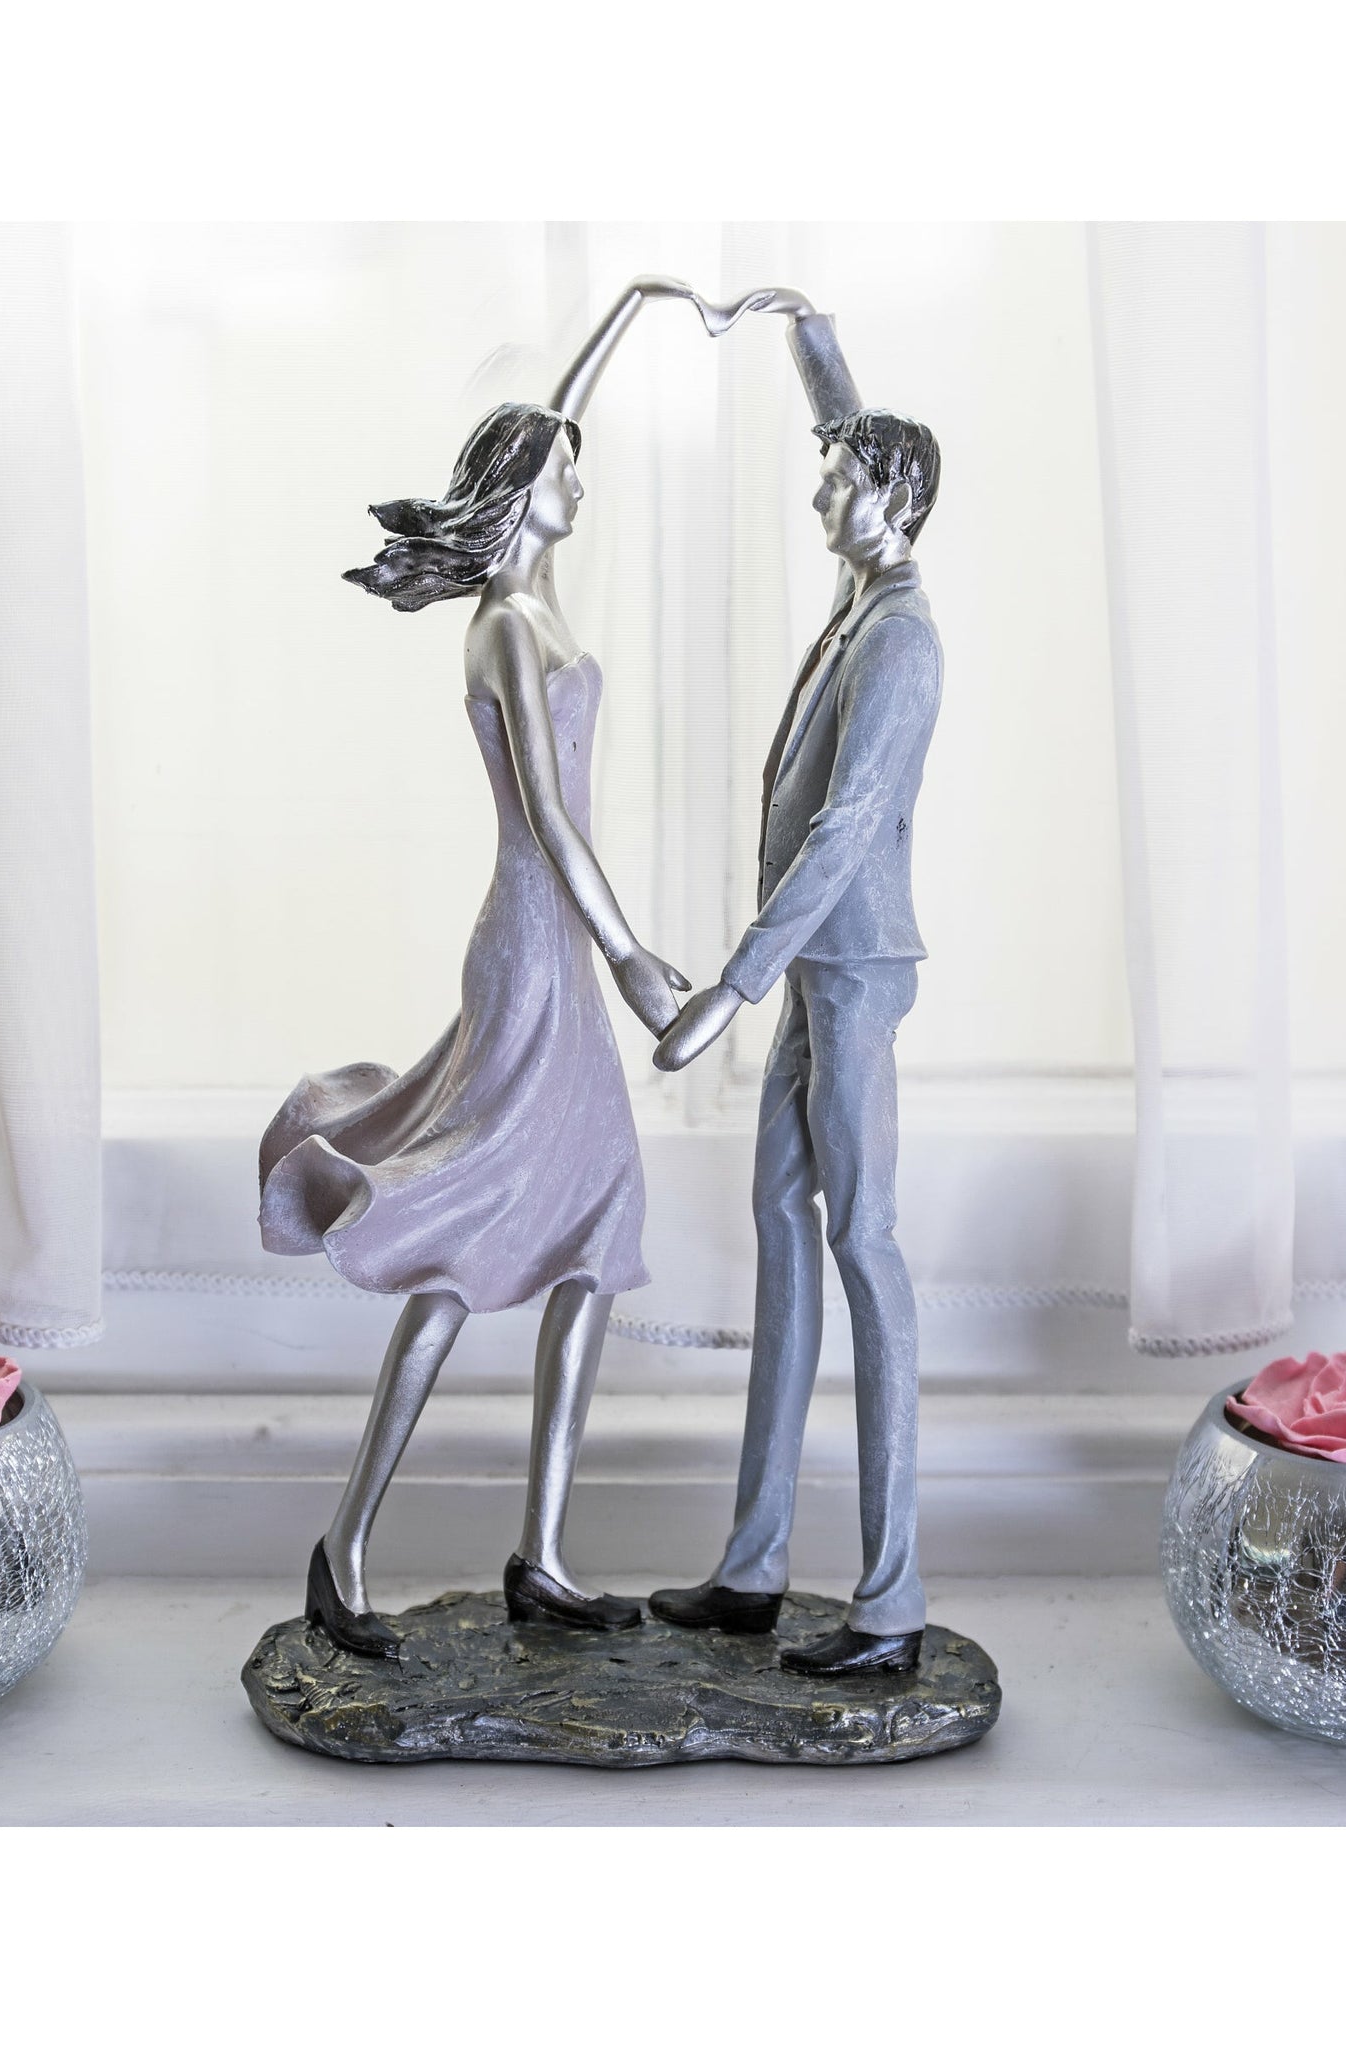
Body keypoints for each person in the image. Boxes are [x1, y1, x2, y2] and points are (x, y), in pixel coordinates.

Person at [261, 279, 754, 1658]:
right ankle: (344, 1550)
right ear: (527, 493)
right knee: (459, 1243)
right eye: (565, 473)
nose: (582, 484)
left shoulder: (539, 600)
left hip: (556, 948)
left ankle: (543, 1552)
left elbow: (556, 419)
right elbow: (548, 815)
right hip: (538, 949)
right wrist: (634, 957)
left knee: (597, 1233)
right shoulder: (507, 628)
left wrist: (637, 305)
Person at [649, 307, 945, 1677]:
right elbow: (855, 426)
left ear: (894, 502)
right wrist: (800, 327)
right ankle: (755, 1565)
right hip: (811, 977)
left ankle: (890, 1602)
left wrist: (733, 981)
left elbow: (847, 827)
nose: (819, 494)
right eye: (826, 473)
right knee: (780, 1219)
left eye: (839, 482)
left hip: (851, 972)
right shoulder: (858, 599)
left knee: (865, 1246)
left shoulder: (902, 641)